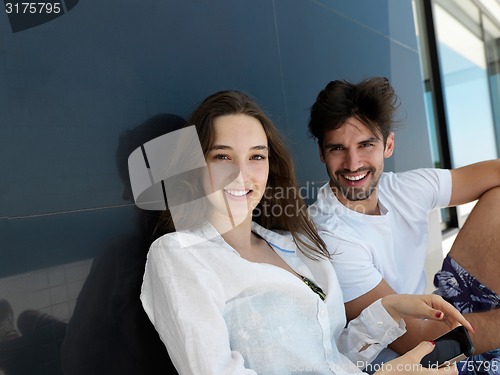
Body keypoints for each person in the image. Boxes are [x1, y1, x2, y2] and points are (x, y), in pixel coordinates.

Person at [139, 90, 472, 375]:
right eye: (222, 156)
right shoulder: (180, 255)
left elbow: (330, 357)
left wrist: (390, 310)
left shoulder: (295, 247)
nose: (241, 174)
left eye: (257, 156)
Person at [307, 77, 500, 374]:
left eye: (365, 144)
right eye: (337, 149)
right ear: (322, 154)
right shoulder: (329, 237)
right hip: (406, 359)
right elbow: (420, 341)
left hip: (436, 311)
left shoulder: (403, 189)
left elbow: (495, 172)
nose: (353, 162)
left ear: (388, 145)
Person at [60, 114, 185, 375]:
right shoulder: (231, 245)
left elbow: (79, 356)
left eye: (129, 180)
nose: (125, 194)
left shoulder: (123, 258)